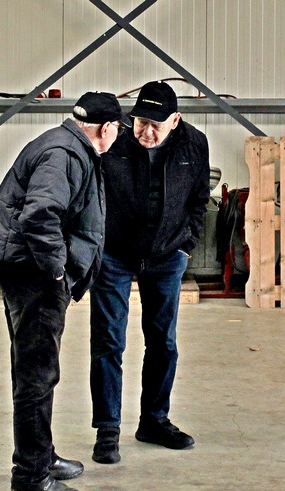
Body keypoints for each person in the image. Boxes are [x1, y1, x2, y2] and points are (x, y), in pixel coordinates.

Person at [0, 92, 123, 491]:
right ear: (106, 128)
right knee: (37, 374)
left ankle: (41, 456)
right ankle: (30, 476)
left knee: (35, 369)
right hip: (34, 273)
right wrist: (58, 270)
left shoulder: (66, 145)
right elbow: (40, 214)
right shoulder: (64, 154)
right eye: (118, 129)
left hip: (28, 268)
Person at [90, 81, 210, 464]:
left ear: (175, 120)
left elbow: (199, 198)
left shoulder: (194, 144)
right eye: (141, 122)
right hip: (114, 254)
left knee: (163, 342)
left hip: (166, 255)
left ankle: (154, 421)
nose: (146, 132)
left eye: (156, 125)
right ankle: (108, 431)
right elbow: (91, 192)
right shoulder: (115, 141)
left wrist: (184, 245)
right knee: (109, 342)